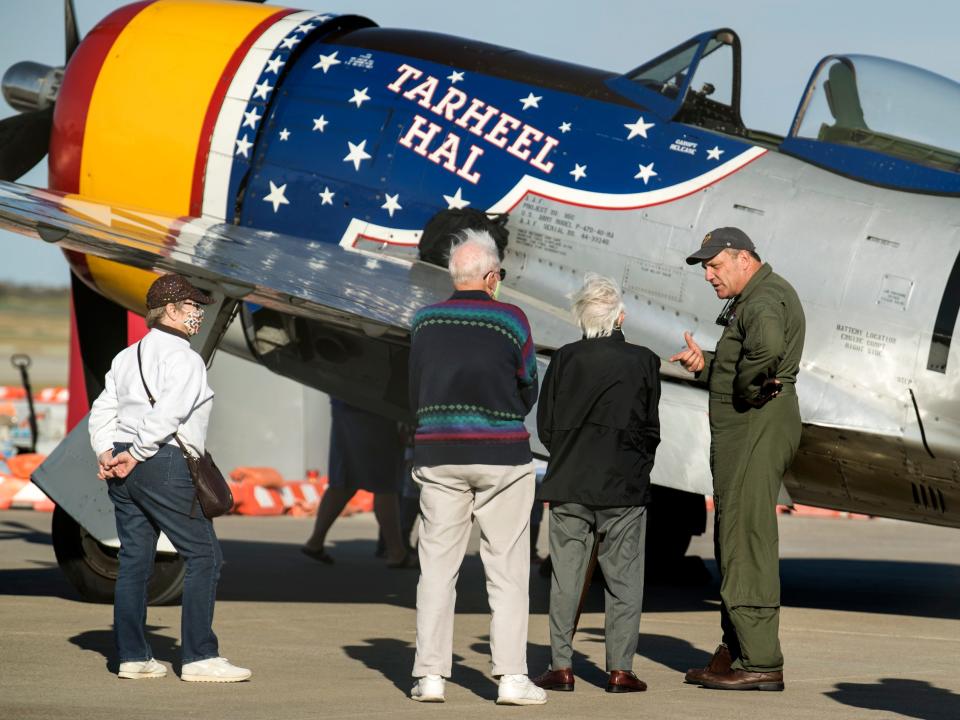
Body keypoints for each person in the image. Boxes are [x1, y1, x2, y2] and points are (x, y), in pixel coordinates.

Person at [88, 274, 251, 682]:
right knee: (203, 556)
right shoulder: (185, 358)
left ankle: (133, 656)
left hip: (125, 463)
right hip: (162, 462)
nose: (199, 314)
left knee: (134, 560)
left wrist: (109, 452)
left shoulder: (127, 357)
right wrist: (138, 453)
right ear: (173, 310)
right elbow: (169, 414)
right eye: (194, 307)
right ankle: (199, 657)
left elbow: (102, 411)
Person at [407, 228, 546, 706]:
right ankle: (510, 678)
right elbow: (528, 384)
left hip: (439, 456)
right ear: (491, 276)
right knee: (506, 569)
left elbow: (415, 386)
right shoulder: (511, 320)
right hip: (502, 455)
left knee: (436, 569)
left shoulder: (424, 321)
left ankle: (429, 677)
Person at [670, 227, 805, 691]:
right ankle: (737, 650)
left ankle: (762, 659)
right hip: (751, 429)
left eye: (714, 265)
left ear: (743, 259)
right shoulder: (761, 294)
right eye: (706, 267)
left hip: (755, 427)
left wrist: (746, 388)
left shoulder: (763, 300)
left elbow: (764, 352)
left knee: (745, 539)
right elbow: (748, 354)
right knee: (733, 535)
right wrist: (707, 363)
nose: (708, 275)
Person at [532, 274, 660, 695]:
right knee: (624, 582)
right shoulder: (643, 360)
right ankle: (621, 670)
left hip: (569, 482)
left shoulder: (565, 359)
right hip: (623, 486)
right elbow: (650, 427)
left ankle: (562, 667)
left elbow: (546, 427)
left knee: (566, 580)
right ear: (619, 316)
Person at [301, 399, 414, 568]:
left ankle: (315, 541)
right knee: (385, 484)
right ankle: (396, 551)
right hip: (375, 408)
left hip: (347, 405)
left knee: (345, 482)